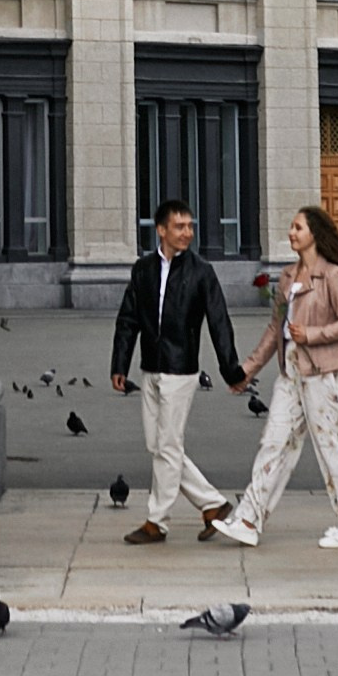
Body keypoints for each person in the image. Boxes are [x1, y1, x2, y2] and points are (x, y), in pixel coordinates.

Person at [228, 204, 338, 549]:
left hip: (321, 372)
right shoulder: (287, 278)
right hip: (290, 370)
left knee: (332, 446)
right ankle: (249, 518)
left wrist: (312, 333)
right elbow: (274, 330)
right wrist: (247, 371)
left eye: (298, 228)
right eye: (291, 228)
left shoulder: (332, 275)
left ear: (315, 235)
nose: (291, 233)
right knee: (274, 441)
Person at [108, 197, 248, 545]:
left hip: (181, 370)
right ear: (161, 230)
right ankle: (213, 505)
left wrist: (231, 369)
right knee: (158, 446)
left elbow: (219, 322)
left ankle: (157, 521)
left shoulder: (201, 272)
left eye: (190, 226)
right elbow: (128, 319)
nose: (187, 232)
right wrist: (119, 365)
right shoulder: (142, 270)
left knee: (168, 445)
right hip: (149, 367)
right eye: (179, 226)